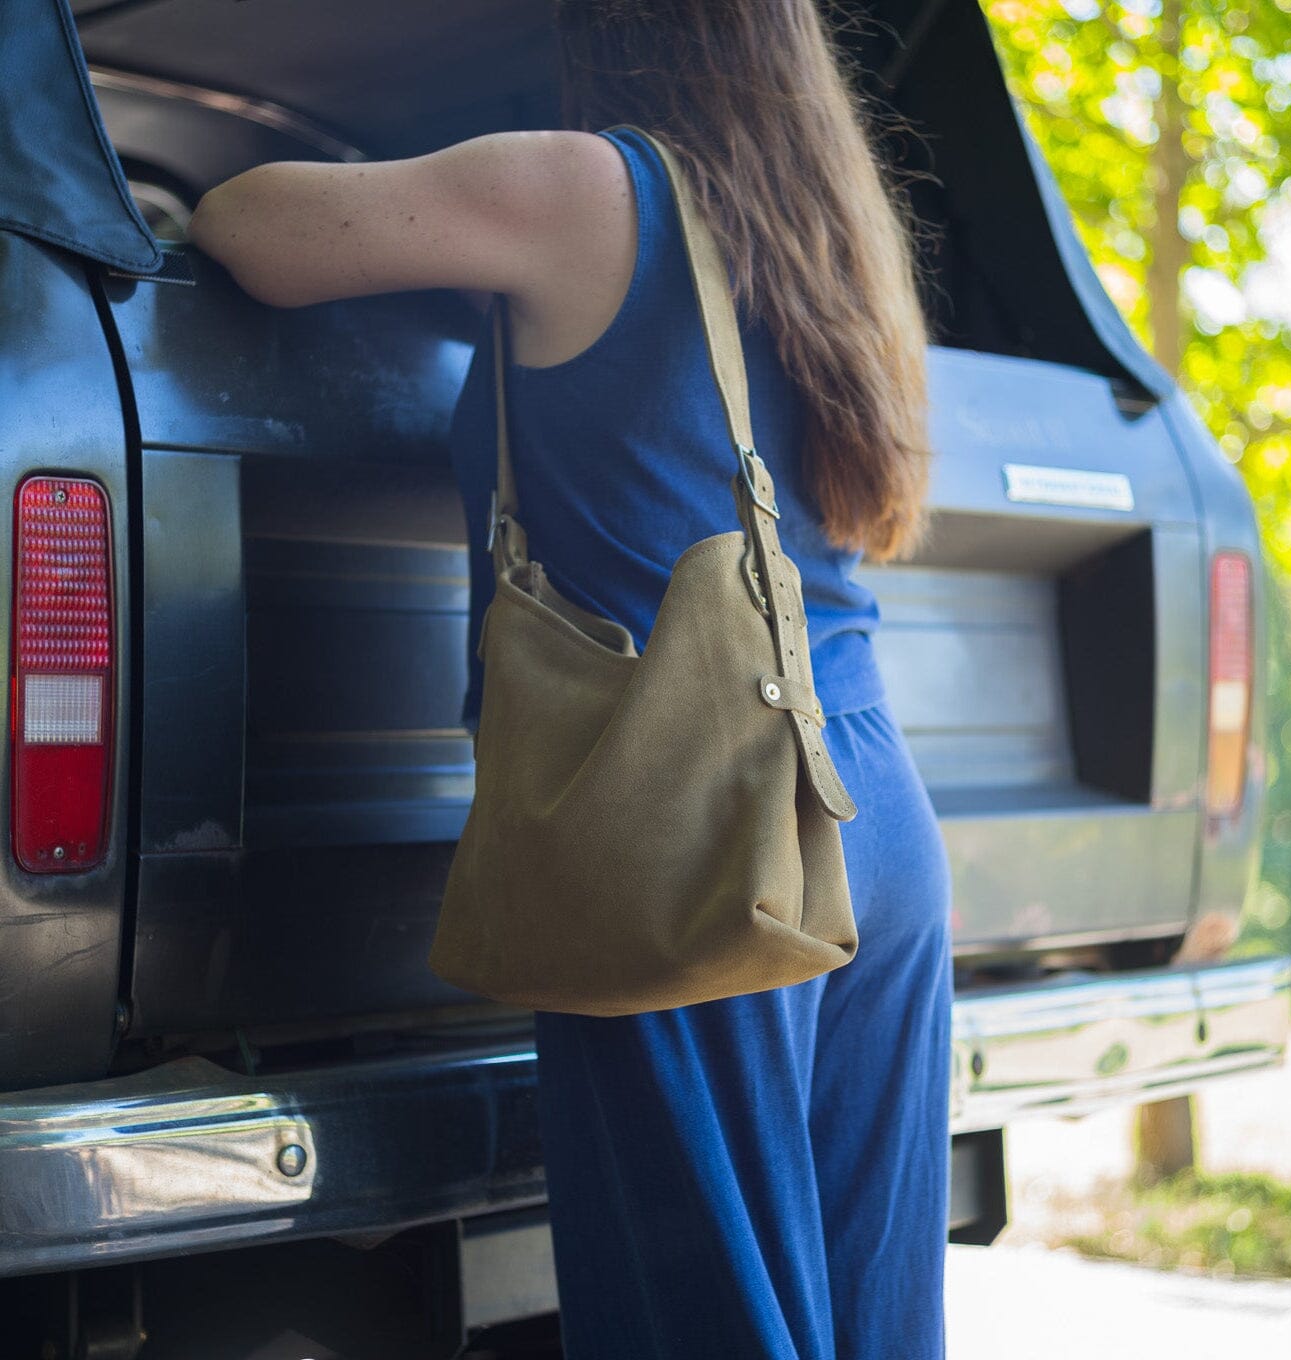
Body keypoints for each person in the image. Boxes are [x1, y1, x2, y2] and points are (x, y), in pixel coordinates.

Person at [188, 3, 953, 1356]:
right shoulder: (829, 231)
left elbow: (246, 223)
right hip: (869, 812)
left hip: (694, 814)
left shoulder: (581, 187)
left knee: (700, 1322)